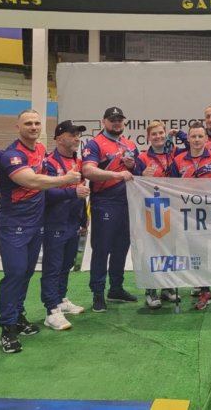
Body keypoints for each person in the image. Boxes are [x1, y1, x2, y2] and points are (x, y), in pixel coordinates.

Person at [0, 110, 81, 353]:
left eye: (36, 123)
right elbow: (32, 181)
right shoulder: (13, 155)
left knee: (26, 273)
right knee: (15, 274)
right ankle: (7, 329)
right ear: (17, 127)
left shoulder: (40, 150)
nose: (33, 127)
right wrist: (65, 181)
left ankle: (17, 316)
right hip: (14, 224)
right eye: (28, 123)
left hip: (36, 224)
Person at [82, 107, 140, 313]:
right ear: (104, 121)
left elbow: (137, 173)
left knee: (121, 248)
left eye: (119, 120)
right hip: (105, 202)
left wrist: (132, 166)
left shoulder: (129, 144)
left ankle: (116, 288)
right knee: (102, 249)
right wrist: (118, 175)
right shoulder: (94, 143)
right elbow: (88, 170)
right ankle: (98, 292)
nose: (116, 123)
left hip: (127, 202)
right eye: (112, 119)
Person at [169, 122, 211, 309]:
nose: (196, 140)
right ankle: (204, 289)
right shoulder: (178, 160)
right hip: (187, 215)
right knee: (195, 251)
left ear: (206, 139)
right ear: (188, 138)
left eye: (200, 136)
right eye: (193, 136)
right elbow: (171, 187)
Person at [41, 120, 90, 331]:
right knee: (53, 267)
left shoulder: (78, 162)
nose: (77, 138)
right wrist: (72, 191)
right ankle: (51, 310)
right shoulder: (49, 162)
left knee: (67, 263)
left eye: (78, 135)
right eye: (72, 135)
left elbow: (81, 192)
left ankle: (60, 299)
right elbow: (46, 192)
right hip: (55, 221)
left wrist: (83, 219)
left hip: (72, 222)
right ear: (59, 138)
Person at [136, 120, 179, 309]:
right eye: (154, 134)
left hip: (173, 209)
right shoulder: (142, 158)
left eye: (161, 133)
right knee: (152, 250)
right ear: (148, 137)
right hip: (151, 210)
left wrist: (177, 135)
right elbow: (134, 183)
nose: (158, 136)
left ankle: (167, 287)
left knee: (171, 249)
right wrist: (142, 175)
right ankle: (151, 289)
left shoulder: (175, 153)